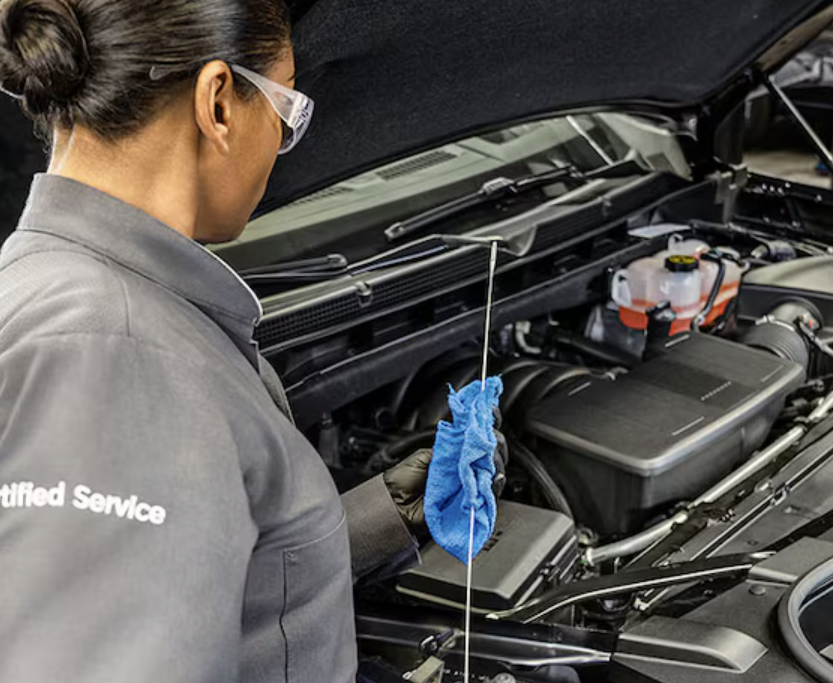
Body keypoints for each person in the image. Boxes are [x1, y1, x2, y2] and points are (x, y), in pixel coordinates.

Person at [0, 0, 504, 681]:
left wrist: (384, 515)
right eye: (288, 112)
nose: (283, 141)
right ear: (217, 103)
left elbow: (205, 577)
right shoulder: (111, 356)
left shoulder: (95, 297)